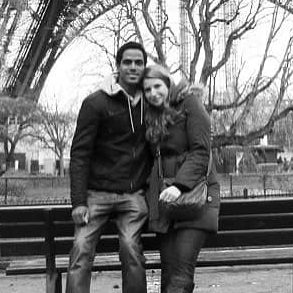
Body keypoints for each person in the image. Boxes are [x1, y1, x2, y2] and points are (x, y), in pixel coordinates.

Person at [67, 41, 151, 293]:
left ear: (145, 67)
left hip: (132, 194)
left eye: (139, 62)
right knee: (81, 248)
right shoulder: (95, 103)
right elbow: (80, 153)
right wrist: (78, 202)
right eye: (128, 62)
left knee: (130, 247)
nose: (133, 67)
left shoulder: (152, 102)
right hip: (97, 194)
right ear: (117, 66)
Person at [142, 63, 220, 293]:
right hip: (166, 200)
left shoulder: (190, 104)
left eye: (157, 86)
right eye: (147, 90)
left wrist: (179, 185)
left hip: (195, 197)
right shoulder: (151, 115)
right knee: (169, 270)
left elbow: (201, 151)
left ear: (168, 84)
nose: (153, 93)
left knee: (181, 272)